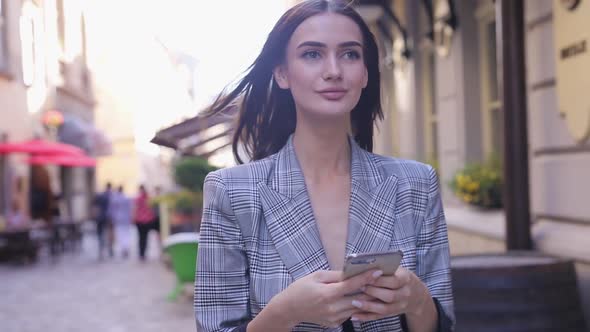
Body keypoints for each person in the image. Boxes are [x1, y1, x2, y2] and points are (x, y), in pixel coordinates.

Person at [194, 1, 454, 331]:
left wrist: (416, 298)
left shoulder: (415, 183)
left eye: (350, 54)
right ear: (282, 73)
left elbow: (443, 322)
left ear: (365, 73)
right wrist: (284, 312)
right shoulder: (231, 192)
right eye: (312, 54)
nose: (334, 70)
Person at [108, 185, 133, 259]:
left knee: (120, 234)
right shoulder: (126, 198)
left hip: (118, 219)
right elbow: (130, 209)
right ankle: (126, 247)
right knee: (126, 234)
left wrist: (112, 218)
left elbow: (111, 210)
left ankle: (123, 248)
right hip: (126, 219)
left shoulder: (114, 199)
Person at [133, 184, 155, 261]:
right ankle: (143, 253)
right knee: (145, 237)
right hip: (147, 220)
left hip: (140, 220)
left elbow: (135, 209)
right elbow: (152, 209)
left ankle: (141, 253)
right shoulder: (148, 198)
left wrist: (134, 217)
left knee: (141, 237)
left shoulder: (138, 198)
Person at [93, 182, 113, 260]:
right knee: (108, 233)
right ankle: (109, 248)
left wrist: (95, 216)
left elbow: (94, 207)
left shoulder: (100, 195)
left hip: (100, 218)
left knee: (101, 234)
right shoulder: (111, 196)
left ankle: (102, 249)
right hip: (108, 217)